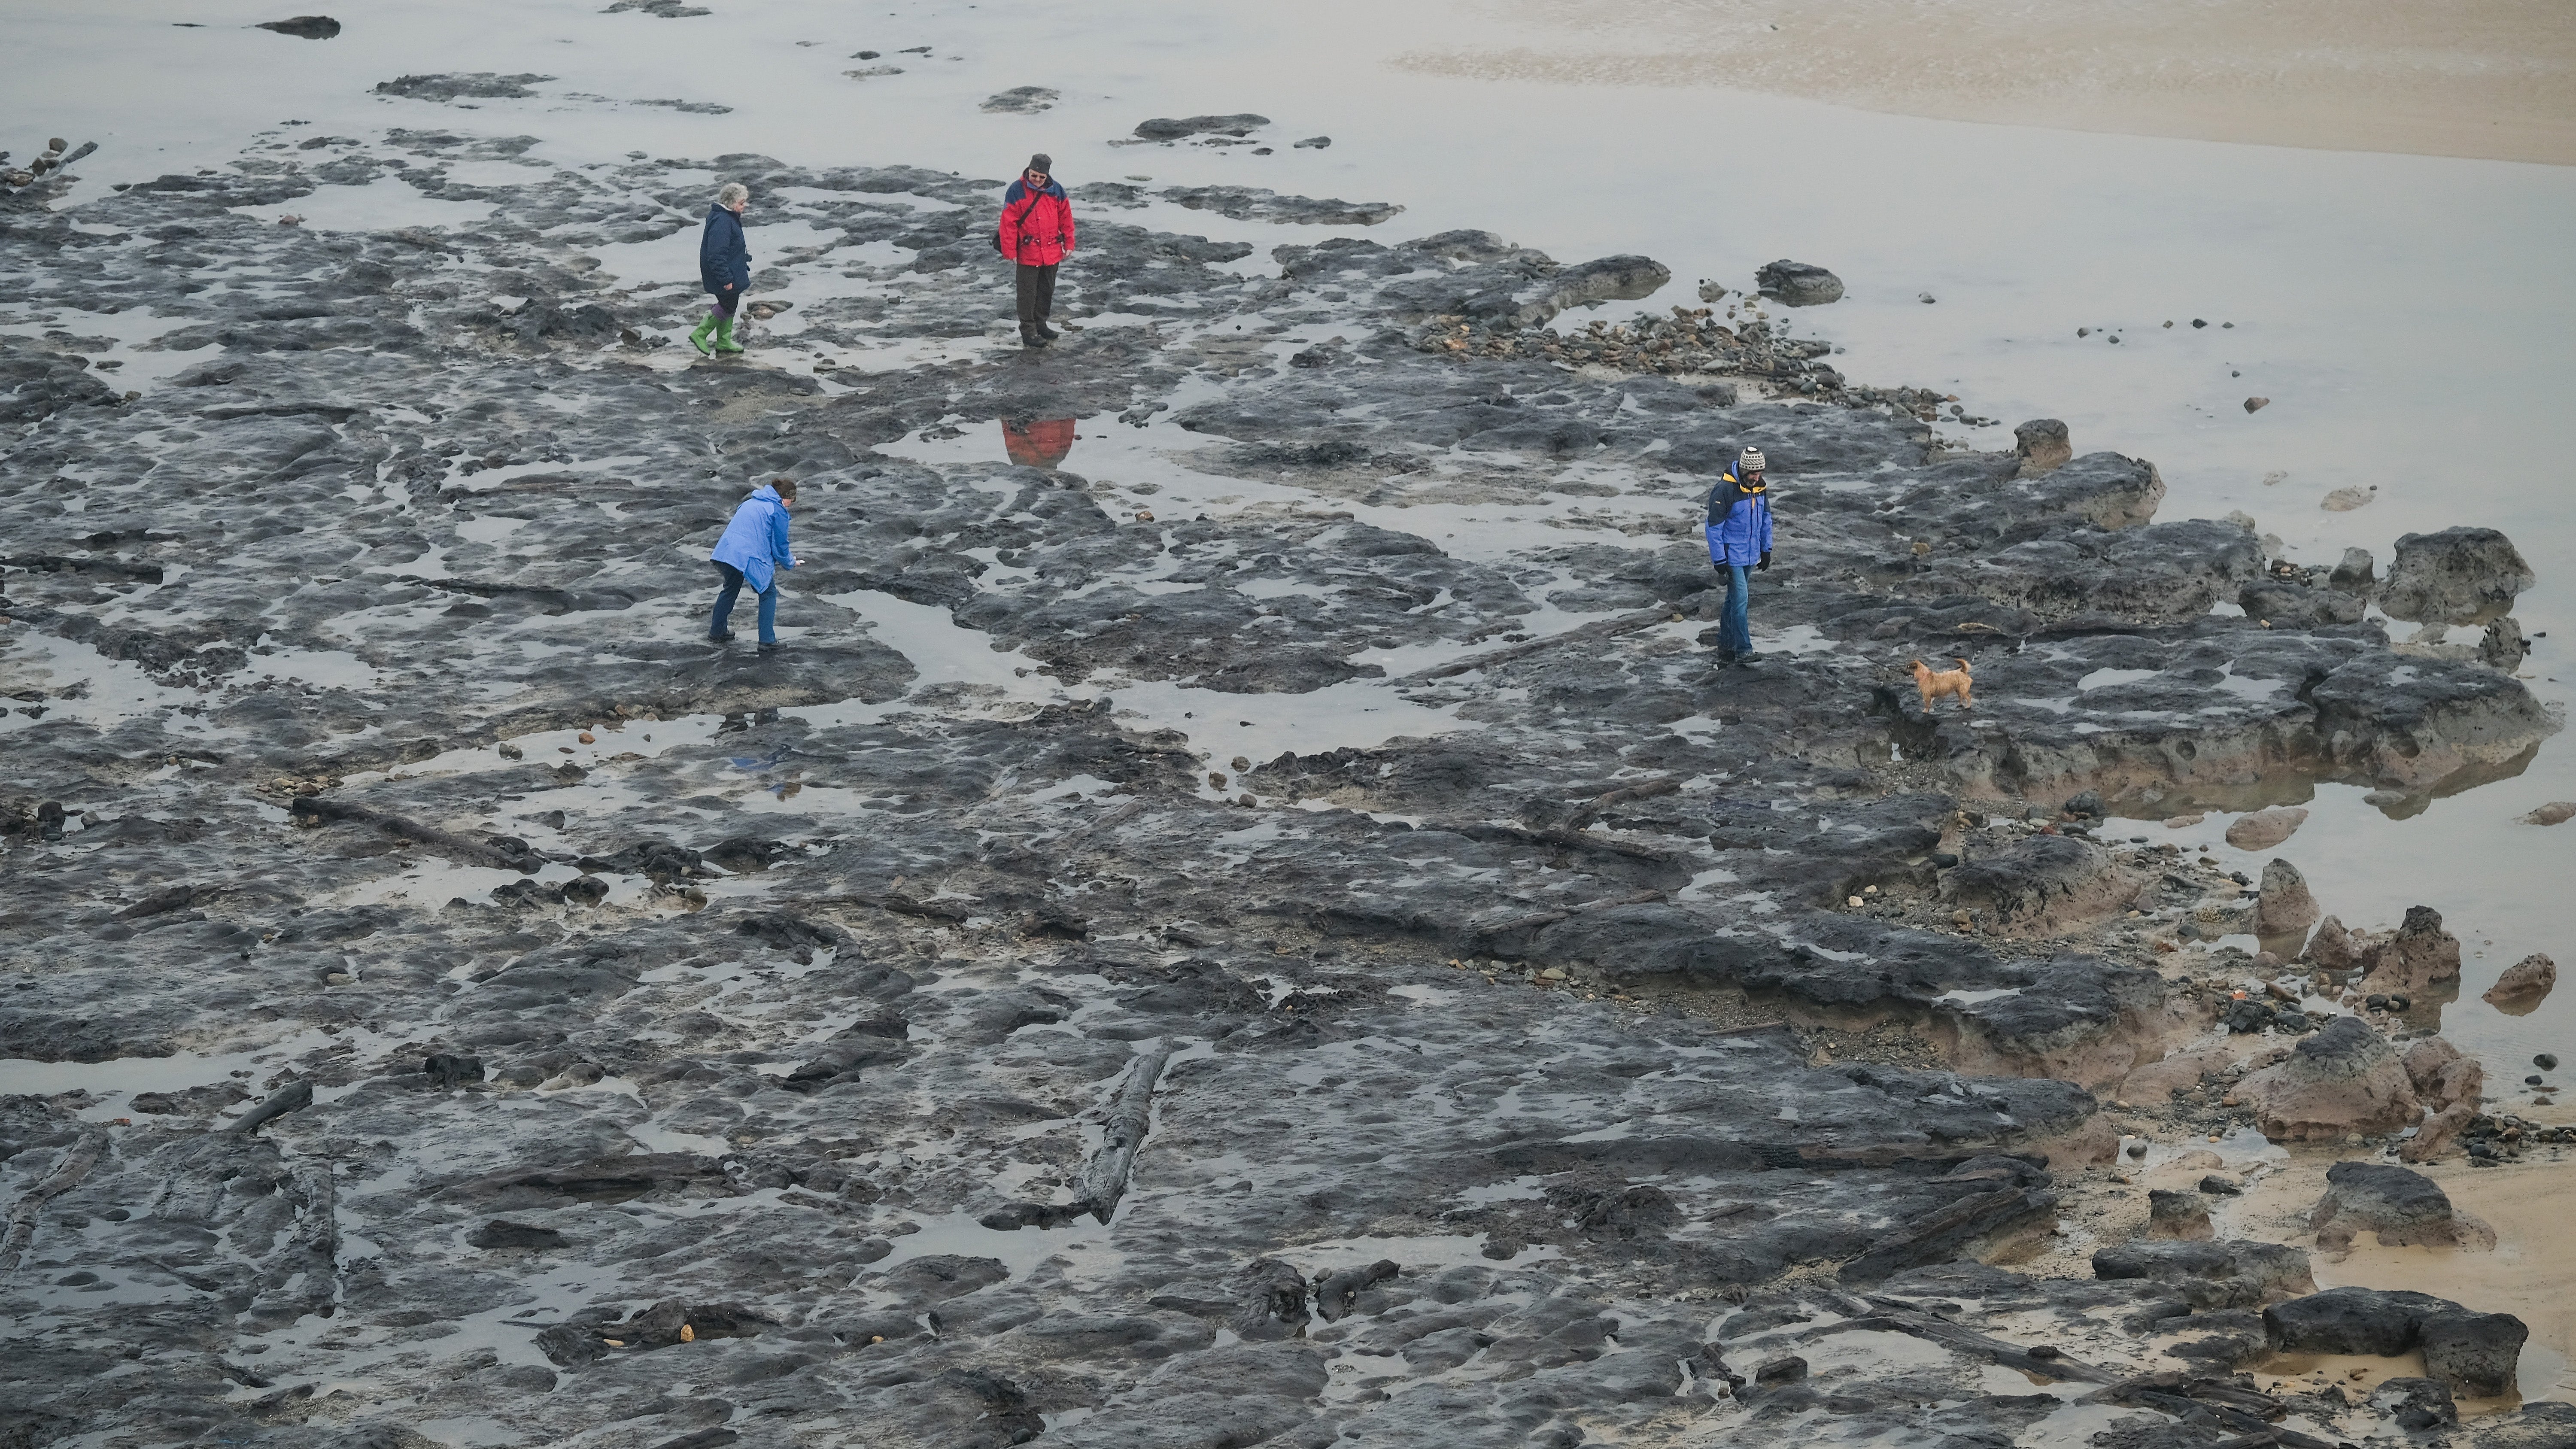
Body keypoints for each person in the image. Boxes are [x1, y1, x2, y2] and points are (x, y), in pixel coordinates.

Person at [708, 476, 799, 650]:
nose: (790, 505)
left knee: (731, 588)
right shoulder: (777, 510)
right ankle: (767, 641)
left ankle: (717, 631)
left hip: (726, 552)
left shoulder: (751, 502)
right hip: (748, 556)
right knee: (768, 593)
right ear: (786, 498)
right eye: (791, 501)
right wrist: (790, 562)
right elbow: (780, 545)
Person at [1703, 447, 1774, 664]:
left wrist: (1766, 549)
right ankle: (1743, 649)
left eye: (1760, 472)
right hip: (1732, 556)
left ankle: (1725, 644)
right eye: (1754, 473)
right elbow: (1713, 528)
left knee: (1732, 600)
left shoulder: (1760, 489)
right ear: (1744, 470)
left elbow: (1766, 520)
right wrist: (1719, 561)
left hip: (1751, 555)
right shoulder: (1724, 490)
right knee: (1741, 600)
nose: (1757, 477)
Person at [996, 154, 1074, 348]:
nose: (1037, 180)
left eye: (1041, 177)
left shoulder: (1057, 190)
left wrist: (1069, 243)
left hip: (1052, 251)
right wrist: (1010, 251)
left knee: (1046, 290)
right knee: (1027, 294)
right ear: (1028, 171)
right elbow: (1008, 222)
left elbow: (1066, 218)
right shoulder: (1016, 190)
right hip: (1027, 252)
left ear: (1047, 175)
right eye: (1034, 176)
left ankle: (1042, 325)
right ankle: (1028, 332)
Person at [690, 182, 752, 357]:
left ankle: (724, 341)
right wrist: (725, 279)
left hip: (731, 270)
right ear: (731, 203)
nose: (744, 206)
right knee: (727, 304)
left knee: (730, 304)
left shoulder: (727, 217)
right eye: (742, 203)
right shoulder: (722, 222)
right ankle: (700, 334)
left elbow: (731, 247)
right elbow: (716, 255)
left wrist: (743, 256)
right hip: (724, 274)